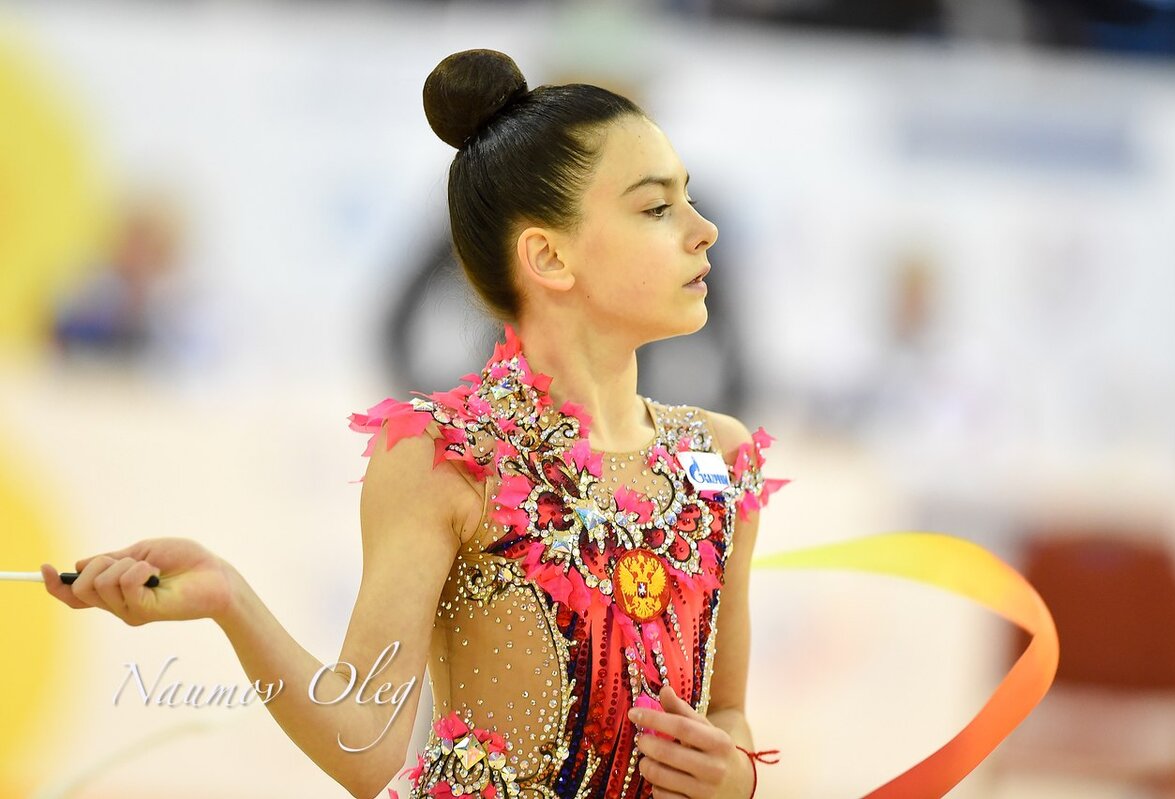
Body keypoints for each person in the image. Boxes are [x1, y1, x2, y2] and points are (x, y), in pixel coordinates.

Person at [40, 48, 787, 799]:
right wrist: (230, 601)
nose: (705, 229)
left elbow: (728, 713)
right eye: (658, 207)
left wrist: (733, 775)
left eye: (688, 198)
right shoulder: (445, 456)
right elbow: (366, 744)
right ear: (549, 256)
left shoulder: (719, 457)